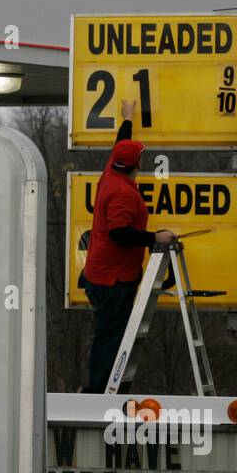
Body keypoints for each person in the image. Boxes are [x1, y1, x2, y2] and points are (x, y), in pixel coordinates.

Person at [81, 100, 175, 393]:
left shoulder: (112, 172)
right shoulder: (121, 192)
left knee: (110, 335)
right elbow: (120, 233)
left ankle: (101, 389)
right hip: (113, 280)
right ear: (136, 165)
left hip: (102, 273)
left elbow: (119, 146)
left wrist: (127, 119)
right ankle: (99, 394)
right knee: (110, 337)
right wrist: (153, 238)